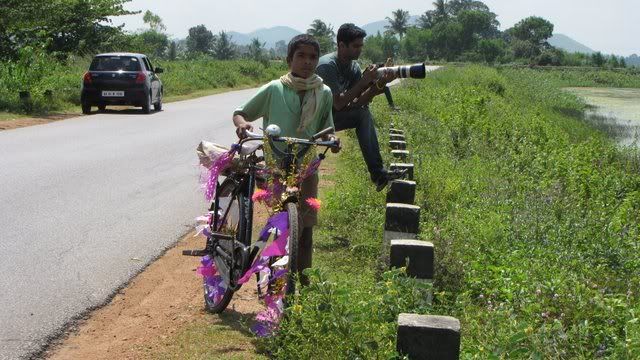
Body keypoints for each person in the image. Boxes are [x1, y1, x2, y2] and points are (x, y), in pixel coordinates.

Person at [232, 34, 337, 286]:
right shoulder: (274, 89)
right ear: (289, 59)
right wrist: (243, 124)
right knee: (280, 224)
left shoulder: (323, 92)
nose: (307, 62)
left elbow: (327, 128)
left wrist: (332, 139)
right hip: (276, 166)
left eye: (313, 57)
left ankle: (303, 280)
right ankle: (275, 281)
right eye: (301, 56)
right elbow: (240, 113)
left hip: (307, 166)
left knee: (307, 226)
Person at [316, 23, 405, 191]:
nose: (359, 50)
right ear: (341, 45)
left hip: (332, 118)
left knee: (362, 113)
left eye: (361, 46)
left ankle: (378, 174)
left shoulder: (354, 67)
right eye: (355, 46)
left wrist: (379, 84)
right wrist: (364, 82)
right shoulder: (327, 66)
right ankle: (378, 173)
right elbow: (339, 103)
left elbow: (358, 103)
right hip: (315, 120)